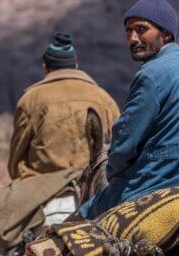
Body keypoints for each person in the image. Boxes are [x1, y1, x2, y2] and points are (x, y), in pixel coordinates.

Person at [80, 0, 179, 219]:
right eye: (128, 32)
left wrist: (114, 171)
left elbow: (125, 145)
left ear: (166, 34)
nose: (132, 38)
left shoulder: (152, 74)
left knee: (75, 226)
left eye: (141, 29)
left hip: (161, 184)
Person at [9, 32, 120, 181]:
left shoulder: (30, 100)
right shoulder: (105, 99)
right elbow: (118, 145)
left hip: (43, 186)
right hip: (94, 182)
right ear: (76, 66)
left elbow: (17, 158)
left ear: (45, 67)